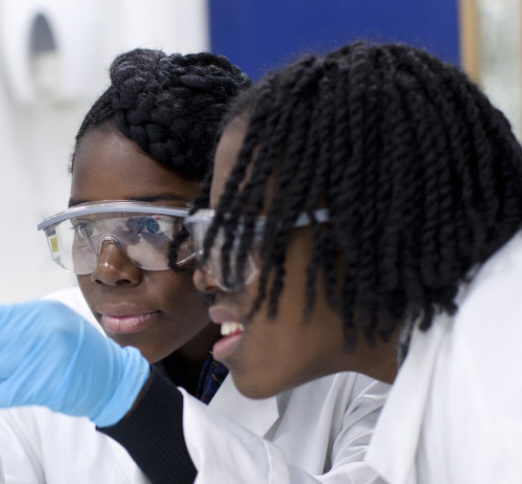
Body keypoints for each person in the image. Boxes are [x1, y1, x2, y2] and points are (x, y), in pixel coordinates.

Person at [0, 49, 389, 483]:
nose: (109, 268)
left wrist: (133, 406)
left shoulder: (351, 367)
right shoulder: (48, 355)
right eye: (88, 230)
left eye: (147, 228)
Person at [182, 41, 522, 483]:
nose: (205, 276)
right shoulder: (436, 381)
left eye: (240, 236)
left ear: (368, 221)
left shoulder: (494, 373)